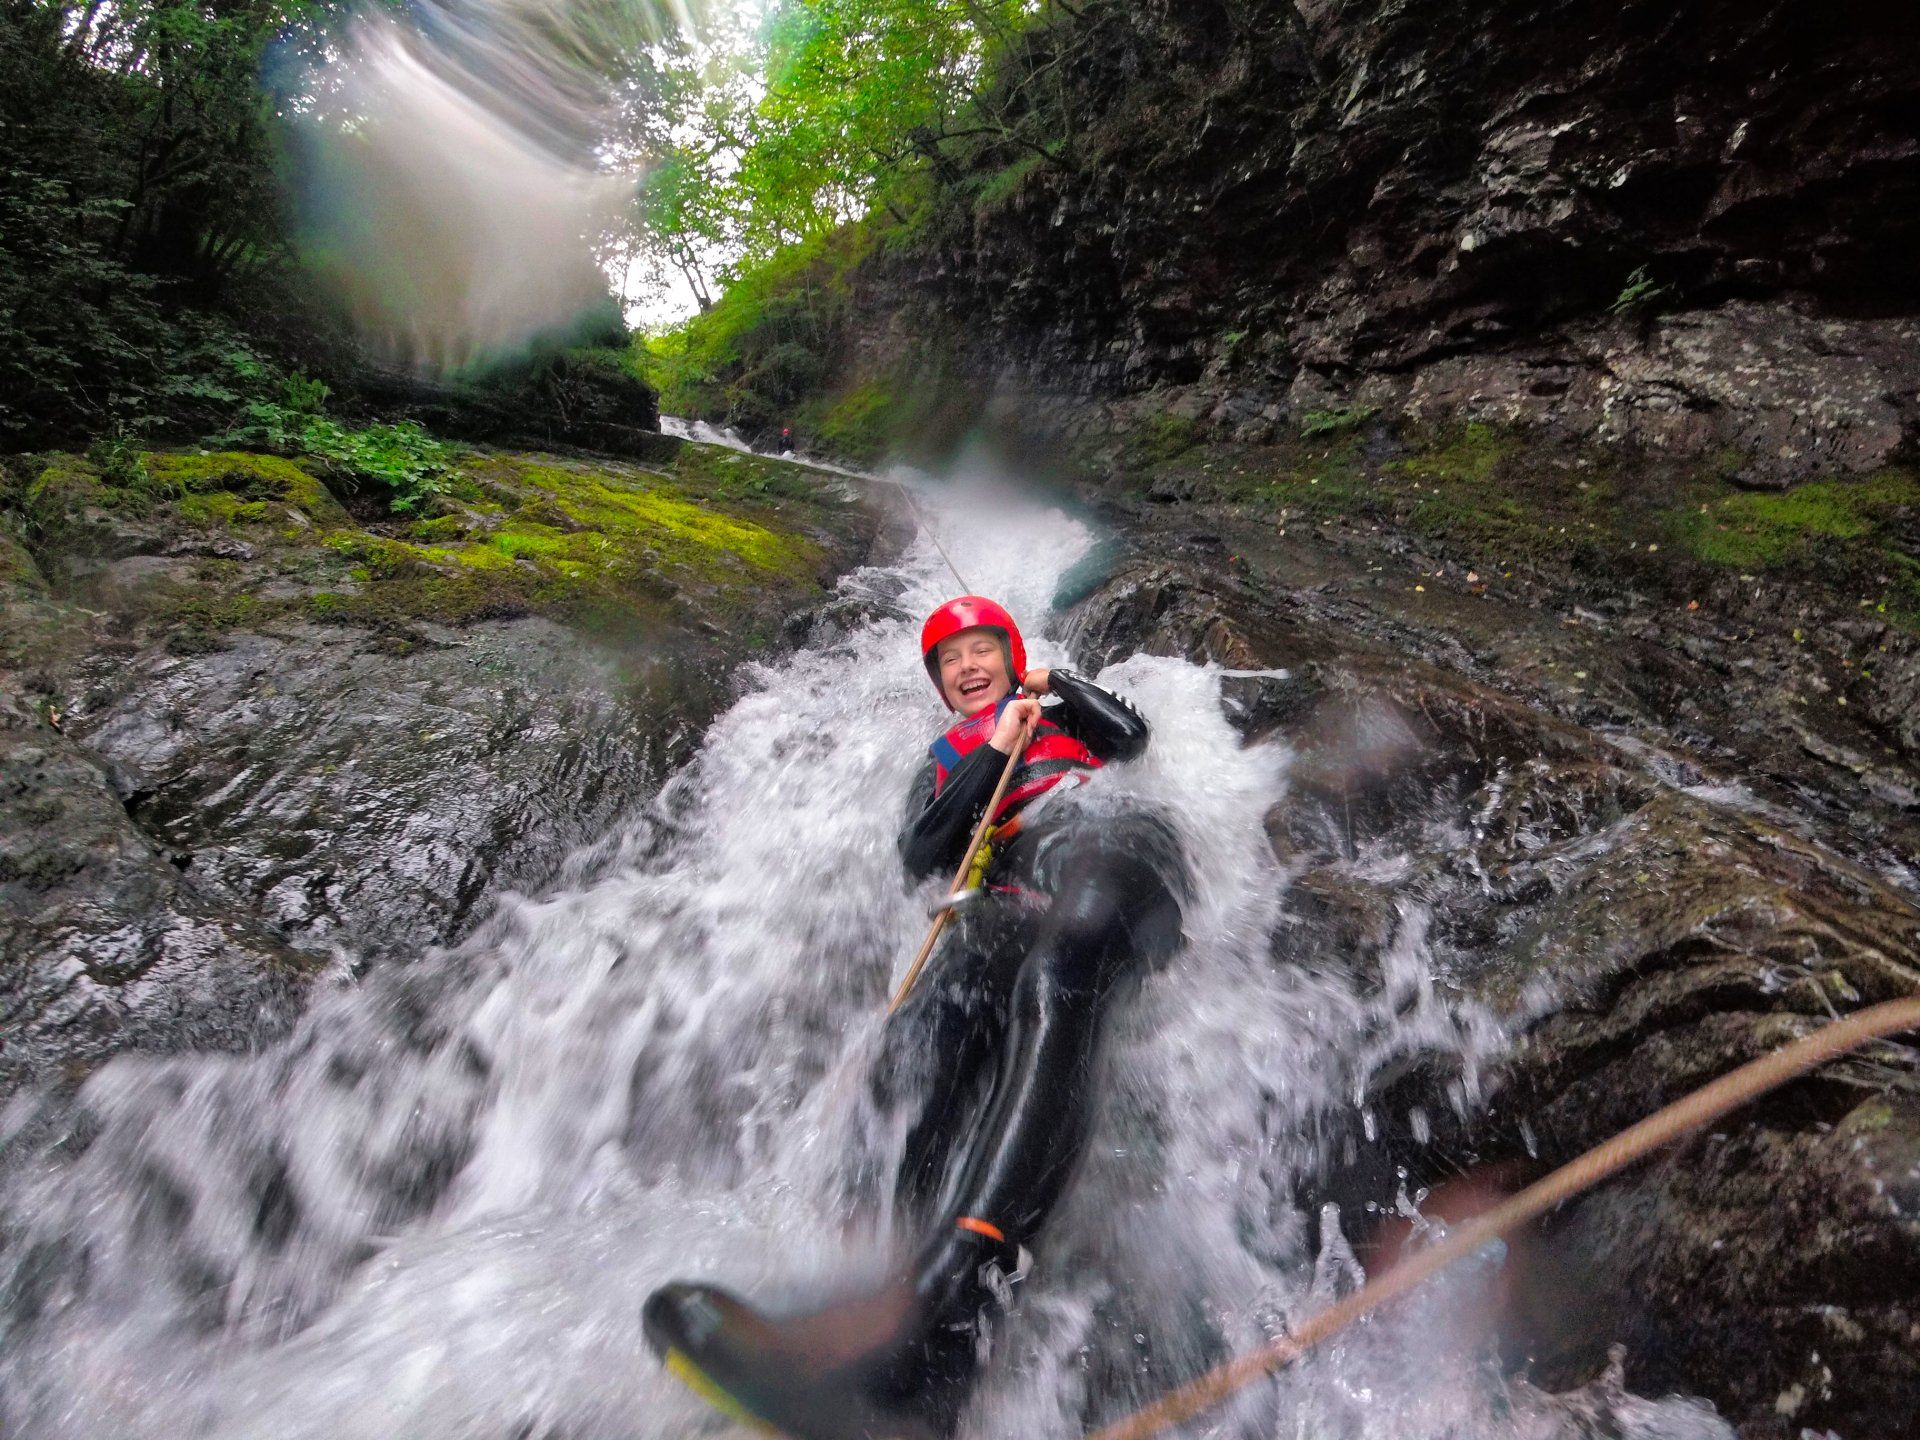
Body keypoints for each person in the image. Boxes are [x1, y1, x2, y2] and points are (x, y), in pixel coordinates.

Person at [645, 596, 1188, 1439]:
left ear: (1012, 657)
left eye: (983, 650)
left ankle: (949, 1310)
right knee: (929, 1020)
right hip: (1005, 889)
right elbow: (923, 854)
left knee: (1064, 961)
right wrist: (994, 750)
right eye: (950, 660)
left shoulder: (1063, 720)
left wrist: (1054, 689)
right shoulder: (945, 759)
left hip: (1107, 845)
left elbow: (1132, 737)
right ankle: (884, 1317)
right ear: (938, 683)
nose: (968, 666)